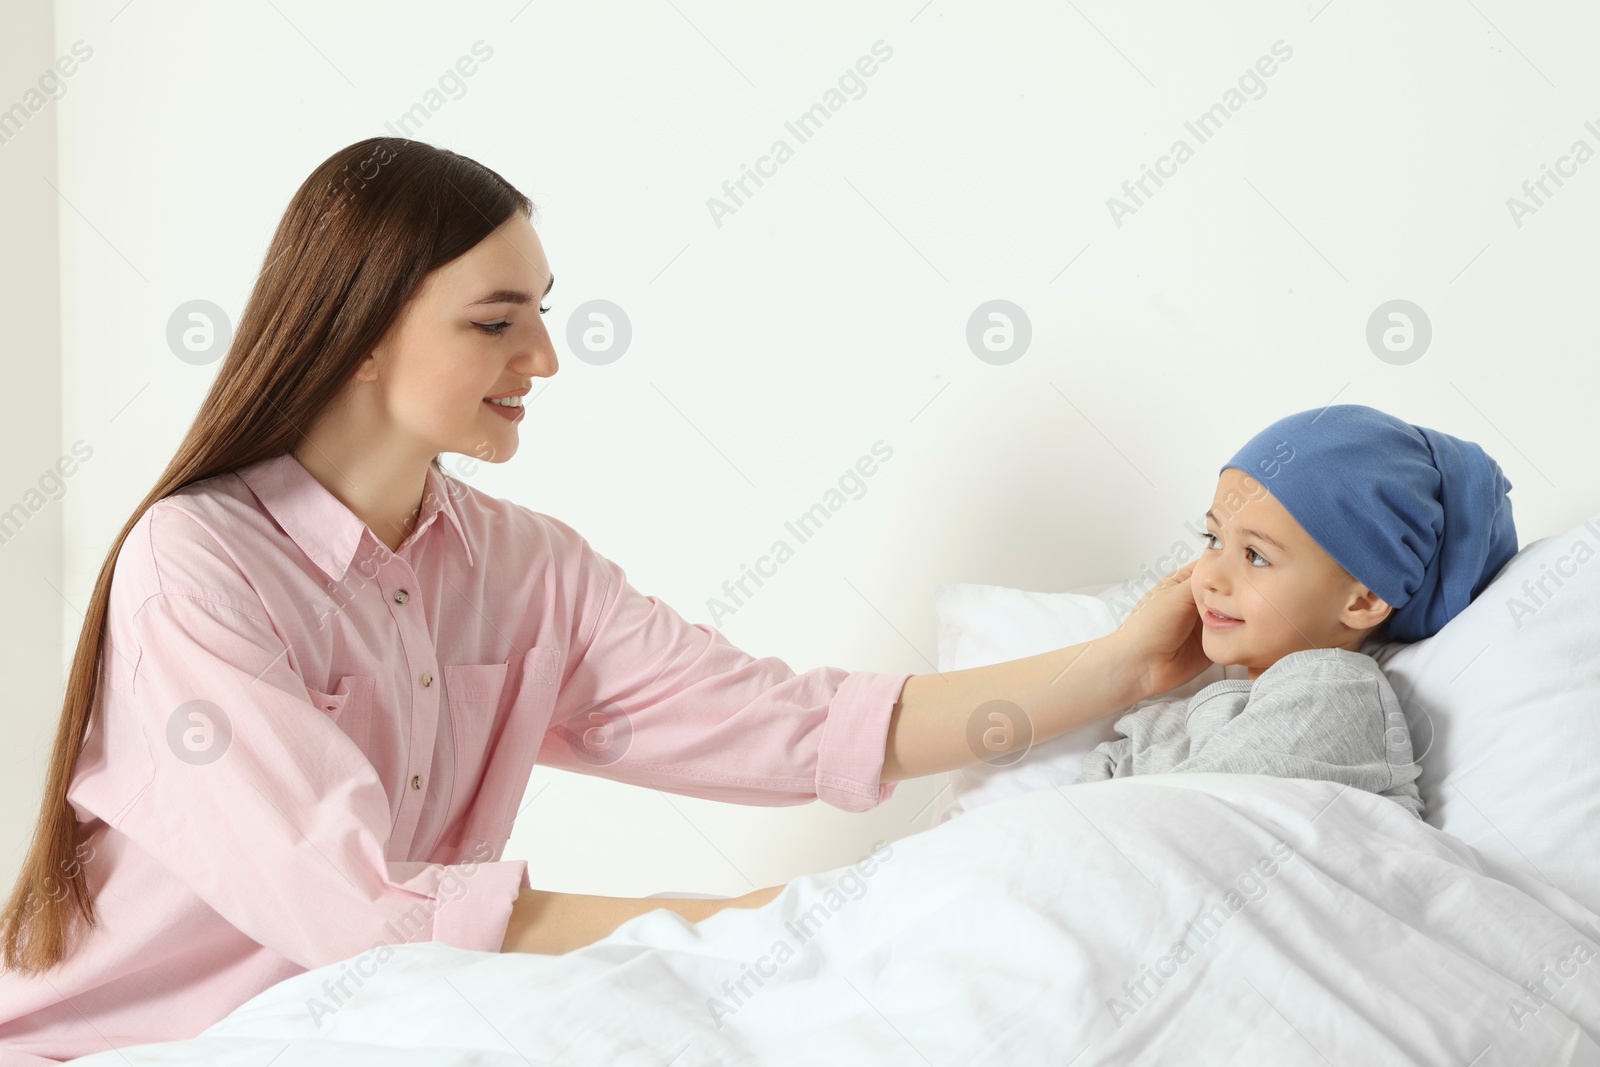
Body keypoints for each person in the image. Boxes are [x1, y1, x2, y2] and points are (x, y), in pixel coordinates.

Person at [0, 137, 1208, 1064]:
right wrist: (739, 916)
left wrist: (1118, 666)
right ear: (358, 334)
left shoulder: (525, 568)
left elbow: (784, 723)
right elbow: (357, 905)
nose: (545, 360)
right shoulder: (197, 561)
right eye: (496, 322)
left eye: (543, 312)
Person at [1075, 405, 1519, 816]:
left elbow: (1181, 822)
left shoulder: (1334, 695)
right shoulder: (1175, 716)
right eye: (1214, 539)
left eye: (1257, 556)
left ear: (1364, 599)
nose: (1209, 577)